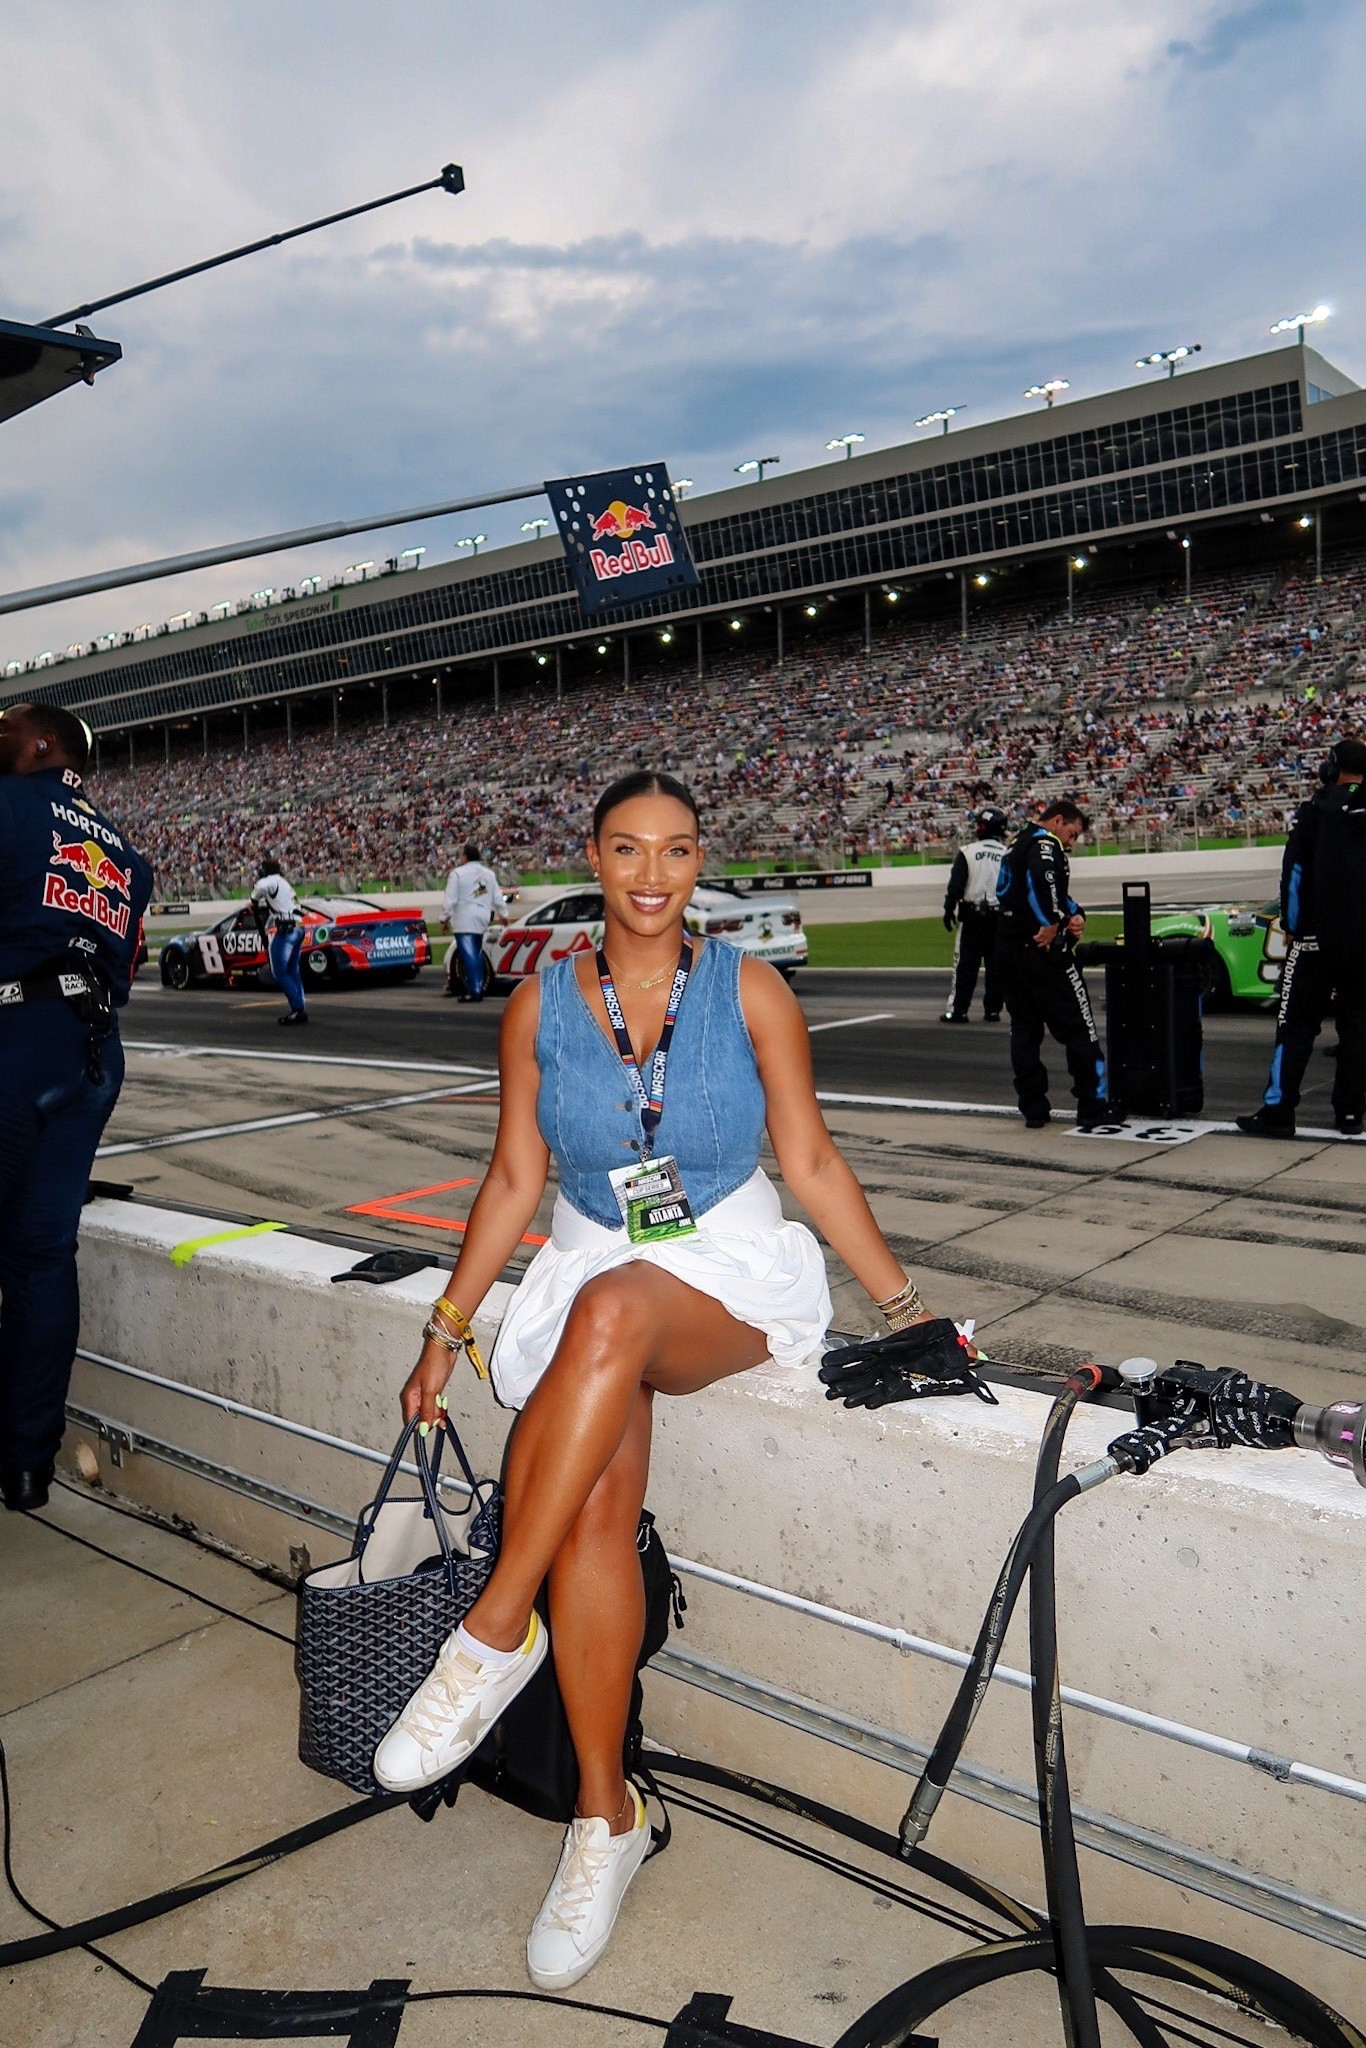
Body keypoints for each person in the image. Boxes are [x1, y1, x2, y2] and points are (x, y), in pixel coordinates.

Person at [375, 770, 970, 1990]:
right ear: (590, 858)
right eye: (629, 850)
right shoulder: (537, 1003)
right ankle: (606, 1819)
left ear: (702, 862)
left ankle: (492, 1630)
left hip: (726, 1266)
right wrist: (443, 1329)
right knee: (593, 1501)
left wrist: (906, 1308)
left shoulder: (750, 989)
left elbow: (806, 1155)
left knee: (613, 1311)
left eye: (679, 850)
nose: (653, 875)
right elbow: (510, 1179)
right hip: (594, 1261)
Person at [0, 703, 152, 1511]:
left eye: (5, 727)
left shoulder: (8, 804)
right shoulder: (126, 852)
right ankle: (27, 1463)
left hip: (15, 1032)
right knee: (41, 1259)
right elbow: (124, 964)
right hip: (92, 1051)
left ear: (42, 743)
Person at [1236, 737, 1366, 1139]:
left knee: (1294, 1027)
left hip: (1315, 940)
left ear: (1332, 767)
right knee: (1359, 1028)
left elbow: (1294, 875)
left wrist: (1292, 926)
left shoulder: (1317, 809)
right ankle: (1349, 1113)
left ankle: (1279, 1111)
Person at [995, 799, 1107, 1131]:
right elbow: (1042, 885)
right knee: (1081, 1027)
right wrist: (1055, 921)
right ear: (1058, 821)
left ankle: (1033, 1108)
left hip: (1007, 949)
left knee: (1025, 1031)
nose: (1070, 843)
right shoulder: (1045, 843)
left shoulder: (1018, 840)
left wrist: (1076, 913)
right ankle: (1094, 1105)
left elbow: (1036, 891)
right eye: (1072, 834)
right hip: (1041, 952)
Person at [941, 807, 1007, 1022]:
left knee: (965, 967)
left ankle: (959, 1010)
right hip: (999, 918)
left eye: (980, 824)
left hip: (972, 916)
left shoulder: (967, 851)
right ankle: (993, 1010)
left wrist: (949, 908)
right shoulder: (1008, 854)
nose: (978, 828)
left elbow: (956, 886)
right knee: (997, 967)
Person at [442, 842, 508, 1000]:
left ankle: (475, 991)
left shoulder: (457, 873)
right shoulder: (489, 874)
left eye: (461, 855)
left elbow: (450, 899)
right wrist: (503, 913)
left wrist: (444, 918)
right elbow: (497, 897)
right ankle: (476, 987)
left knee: (469, 955)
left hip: (464, 919)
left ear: (465, 857)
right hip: (482, 917)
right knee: (476, 953)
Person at [250, 857, 307, 1026]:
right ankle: (301, 1005)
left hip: (286, 929)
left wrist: (253, 900)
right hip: (299, 927)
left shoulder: (270, 881)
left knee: (279, 972)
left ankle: (297, 1009)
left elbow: (261, 887)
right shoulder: (284, 883)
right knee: (292, 970)